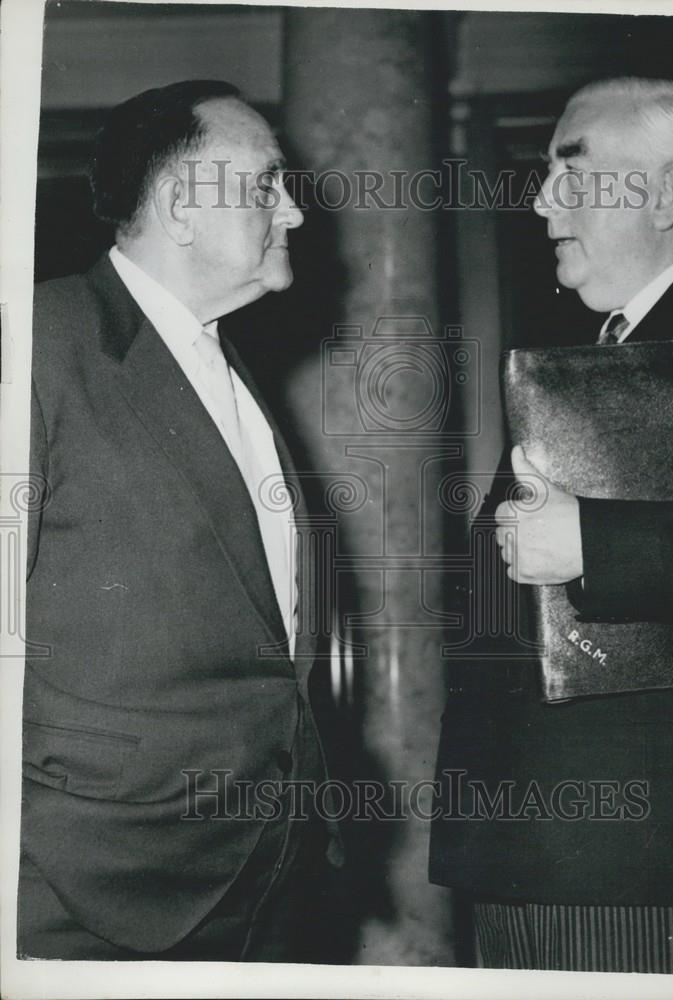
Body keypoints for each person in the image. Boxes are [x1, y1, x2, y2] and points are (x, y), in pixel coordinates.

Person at [430, 77, 673, 975]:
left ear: (664, 194)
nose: (540, 199)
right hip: (551, 851)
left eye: (572, 171)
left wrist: (595, 544)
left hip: (653, 869)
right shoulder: (608, 341)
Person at [19, 80, 340, 961]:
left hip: (260, 871)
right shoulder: (40, 339)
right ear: (181, 206)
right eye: (267, 182)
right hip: (84, 889)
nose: (294, 212)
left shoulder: (221, 363)